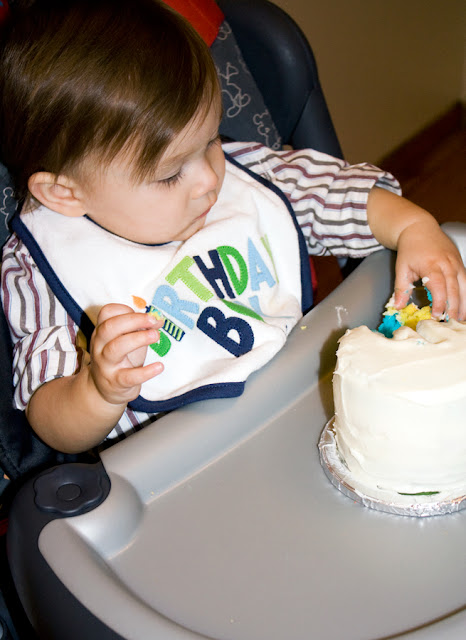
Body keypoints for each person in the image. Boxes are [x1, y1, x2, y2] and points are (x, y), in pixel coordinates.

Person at [1, 0, 465, 455]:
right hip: (187, 466)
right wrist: (98, 392)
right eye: (170, 174)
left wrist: (413, 227)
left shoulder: (244, 175)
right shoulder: (43, 270)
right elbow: (50, 420)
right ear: (64, 193)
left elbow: (335, 194)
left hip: (310, 408)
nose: (209, 179)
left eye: (211, 141)